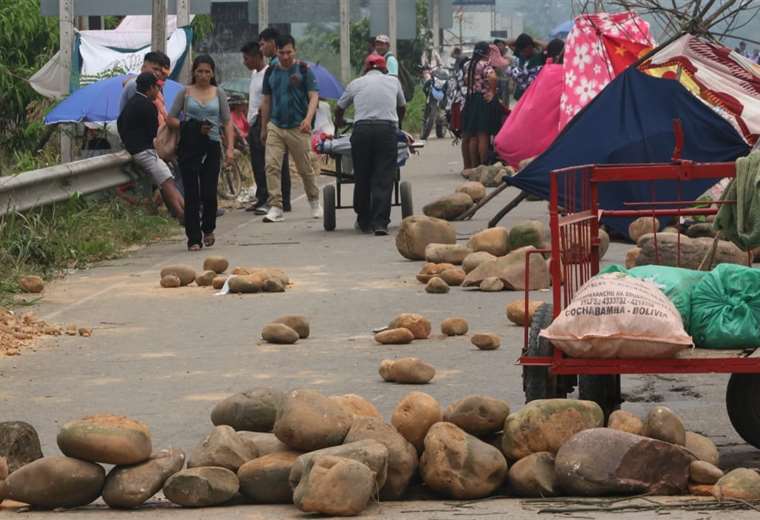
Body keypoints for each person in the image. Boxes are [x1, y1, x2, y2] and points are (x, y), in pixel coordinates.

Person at [167, 55, 234, 251]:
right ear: (193, 73)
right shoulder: (185, 93)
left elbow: (227, 121)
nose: (203, 75)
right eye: (199, 71)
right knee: (192, 193)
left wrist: (229, 148)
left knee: (209, 191)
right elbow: (170, 118)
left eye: (207, 72)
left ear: (212, 73)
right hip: (189, 148)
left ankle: (208, 228)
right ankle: (193, 238)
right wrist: (191, 127)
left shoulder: (218, 93)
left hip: (212, 146)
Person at [335, 54, 406, 236]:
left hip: (362, 131)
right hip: (386, 130)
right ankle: (381, 223)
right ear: (384, 69)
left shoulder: (356, 83)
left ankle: (364, 220)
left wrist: (339, 121)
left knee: (362, 175)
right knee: (383, 177)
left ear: (366, 68)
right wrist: (398, 125)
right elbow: (402, 106)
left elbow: (339, 107)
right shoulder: (393, 82)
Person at [259, 34, 322, 223]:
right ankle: (276, 206)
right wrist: (264, 127)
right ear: (276, 51)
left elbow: (313, 97)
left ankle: (314, 201)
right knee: (271, 165)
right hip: (276, 126)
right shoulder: (270, 72)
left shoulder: (304, 70)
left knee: (305, 168)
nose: (285, 56)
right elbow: (266, 101)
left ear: (295, 50)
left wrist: (308, 119)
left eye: (289, 52)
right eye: (281, 52)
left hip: (298, 127)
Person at [117, 72, 184, 222]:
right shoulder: (148, 106)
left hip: (134, 150)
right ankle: (182, 213)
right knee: (167, 181)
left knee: (166, 179)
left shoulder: (131, 104)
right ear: (151, 88)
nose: (159, 92)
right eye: (157, 88)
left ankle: (181, 211)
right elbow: (152, 132)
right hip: (145, 151)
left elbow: (120, 125)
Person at [248, 29, 292, 214]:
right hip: (278, 119)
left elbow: (269, 98)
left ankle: (275, 201)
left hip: (273, 120)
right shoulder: (277, 66)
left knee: (271, 163)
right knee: (275, 162)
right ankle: (277, 199)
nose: (261, 47)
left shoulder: (275, 66)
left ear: (272, 43)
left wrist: (264, 125)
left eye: (262, 43)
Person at [461, 42, 498, 169]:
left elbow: (466, 81)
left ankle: (468, 166)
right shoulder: (485, 65)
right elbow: (492, 77)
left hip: (470, 99)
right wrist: (492, 92)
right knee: (482, 134)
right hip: (482, 100)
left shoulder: (468, 65)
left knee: (470, 134)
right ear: (486, 52)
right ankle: (482, 165)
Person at [509, 33, 545, 101]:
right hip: (521, 96)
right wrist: (522, 40)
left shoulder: (539, 57)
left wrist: (533, 40)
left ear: (530, 47)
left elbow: (548, 46)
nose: (523, 53)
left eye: (524, 51)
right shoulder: (521, 55)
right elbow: (509, 42)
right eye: (521, 51)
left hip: (533, 96)